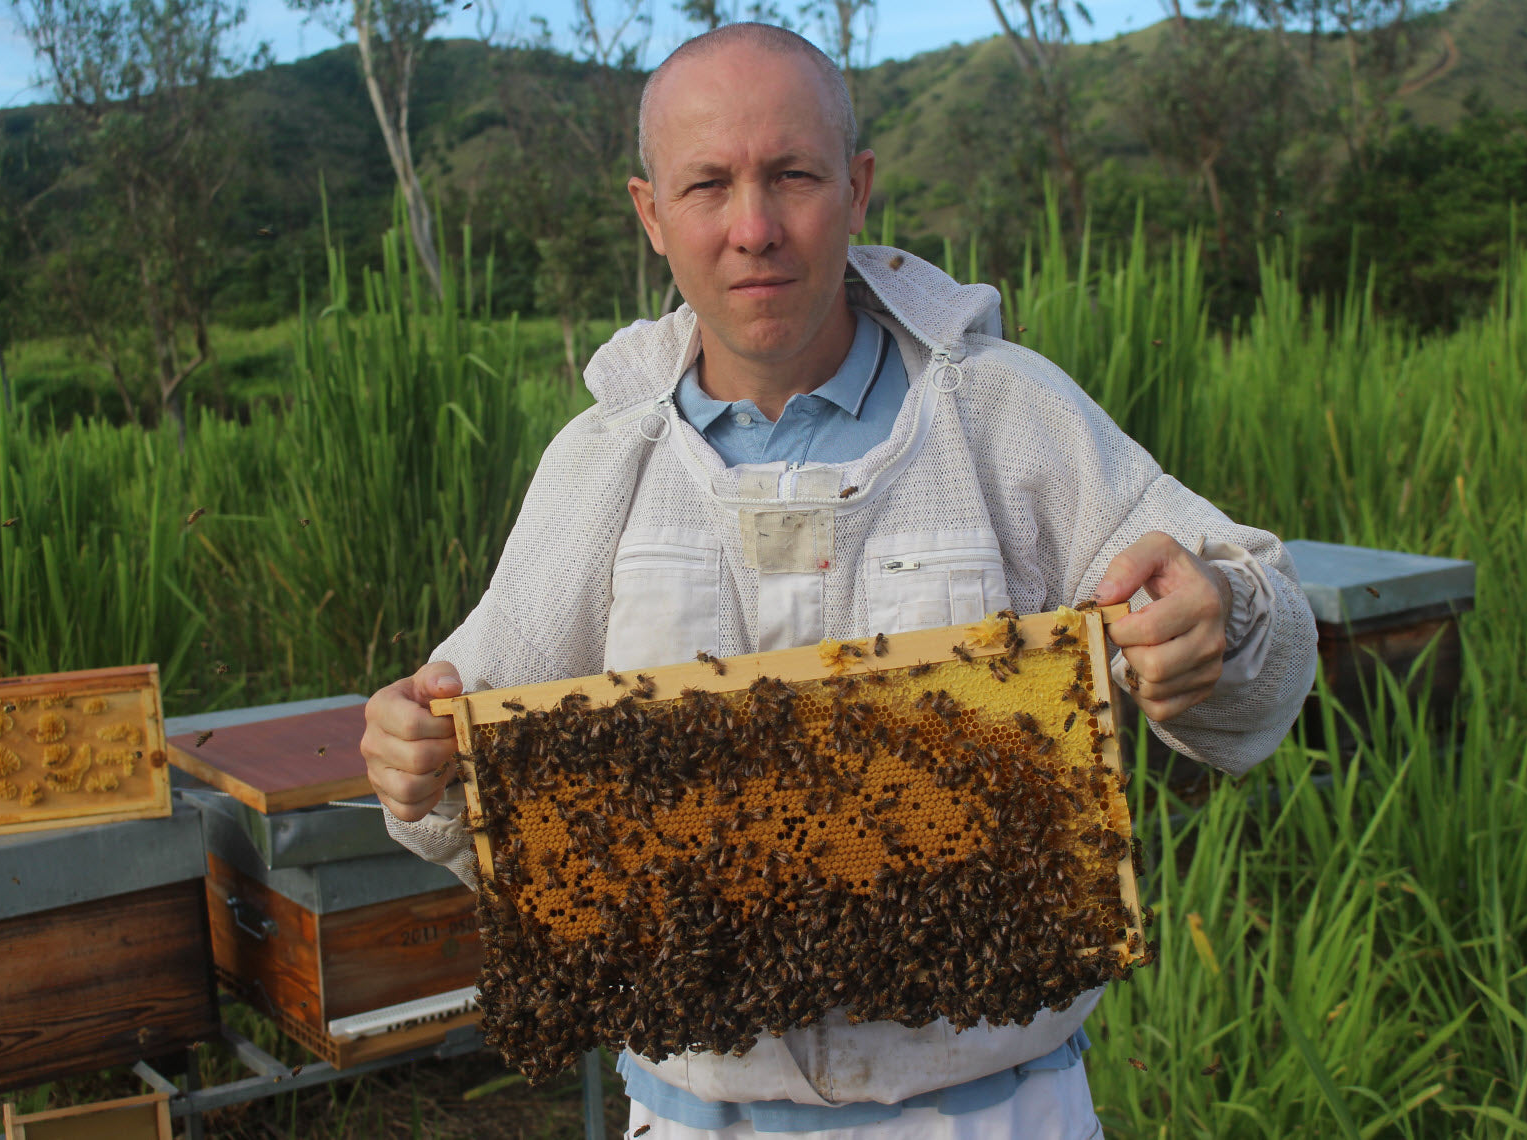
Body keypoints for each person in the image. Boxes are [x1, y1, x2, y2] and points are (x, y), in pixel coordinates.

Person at [362, 21, 1317, 1140]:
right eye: (708, 186)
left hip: (992, 1113)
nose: (754, 229)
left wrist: (1220, 613)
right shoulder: (599, 462)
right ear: (651, 214)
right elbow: (468, 757)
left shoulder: (1007, 414)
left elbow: (1264, 638)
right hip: (694, 1113)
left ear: (858, 189)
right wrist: (413, 756)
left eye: (793, 176)